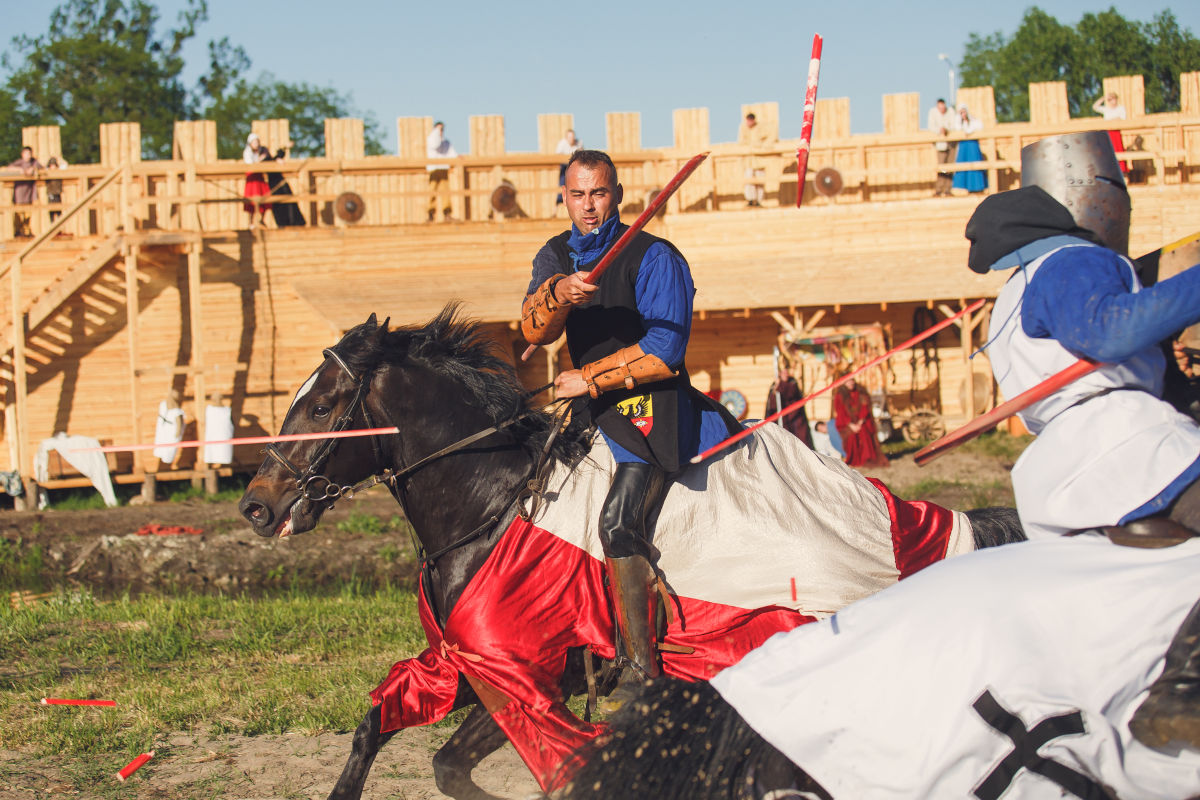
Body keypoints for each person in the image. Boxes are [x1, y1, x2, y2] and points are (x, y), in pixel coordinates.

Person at [964, 130, 1200, 750]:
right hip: (1127, 447)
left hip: (1061, 468)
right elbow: (1111, 330)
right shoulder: (1073, 260)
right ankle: (1185, 686)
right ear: (1095, 192)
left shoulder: (1011, 290)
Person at [520, 149, 739, 702]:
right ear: (564, 197)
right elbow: (534, 329)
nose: (588, 206)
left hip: (651, 406)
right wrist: (557, 295)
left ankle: (645, 673)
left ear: (616, 195)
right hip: (589, 407)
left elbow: (665, 352)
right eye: (577, 194)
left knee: (617, 524)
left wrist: (588, 378)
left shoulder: (654, 256)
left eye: (598, 193)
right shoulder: (554, 254)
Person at [832, 376, 886, 467]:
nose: (851, 383)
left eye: (852, 380)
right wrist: (851, 425)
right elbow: (841, 412)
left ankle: (867, 458)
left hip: (862, 421)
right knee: (851, 435)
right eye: (848, 381)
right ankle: (854, 459)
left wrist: (860, 422)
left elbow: (865, 408)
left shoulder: (861, 393)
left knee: (864, 432)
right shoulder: (840, 396)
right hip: (847, 423)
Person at [765, 365, 812, 447]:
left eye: (787, 372)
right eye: (784, 372)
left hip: (795, 422)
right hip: (782, 422)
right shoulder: (775, 386)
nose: (786, 374)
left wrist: (781, 385)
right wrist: (775, 390)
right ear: (779, 373)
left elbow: (791, 394)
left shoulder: (792, 383)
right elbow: (772, 405)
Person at [262, 147, 305, 227]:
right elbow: (271, 160)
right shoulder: (264, 161)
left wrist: (284, 149)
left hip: (279, 182)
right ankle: (285, 223)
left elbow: (279, 155)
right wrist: (277, 160)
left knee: (289, 203)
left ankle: (292, 222)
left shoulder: (271, 159)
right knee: (279, 205)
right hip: (275, 185)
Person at [951, 103, 987, 194]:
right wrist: (960, 119)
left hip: (972, 145)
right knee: (964, 165)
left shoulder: (973, 121)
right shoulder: (958, 122)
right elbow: (957, 128)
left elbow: (979, 126)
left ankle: (978, 186)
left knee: (975, 164)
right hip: (964, 145)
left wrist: (969, 129)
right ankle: (965, 187)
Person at [426, 121, 457, 222]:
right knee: (432, 192)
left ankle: (447, 213)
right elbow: (435, 144)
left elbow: (452, 154)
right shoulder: (431, 139)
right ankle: (430, 213)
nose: (440, 131)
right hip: (434, 169)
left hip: (443, 169)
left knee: (445, 192)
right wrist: (436, 132)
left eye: (442, 129)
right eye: (439, 129)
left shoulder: (446, 142)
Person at [7, 146, 42, 237]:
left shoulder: (34, 162)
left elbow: (41, 167)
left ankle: (27, 232)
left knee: (28, 214)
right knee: (18, 214)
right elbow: (9, 168)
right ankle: (18, 232)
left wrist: (34, 169)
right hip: (19, 193)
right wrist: (19, 170)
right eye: (26, 153)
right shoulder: (19, 163)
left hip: (29, 194)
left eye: (29, 153)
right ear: (22, 154)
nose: (28, 156)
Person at [1092, 91, 1130, 174]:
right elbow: (1095, 107)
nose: (1112, 101)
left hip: (1116, 132)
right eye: (1110, 100)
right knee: (1107, 151)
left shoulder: (1120, 108)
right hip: (1107, 133)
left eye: (1113, 99)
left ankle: (1122, 172)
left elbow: (1122, 118)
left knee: (1118, 150)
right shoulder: (1106, 109)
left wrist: (1111, 121)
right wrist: (1103, 98)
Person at [738, 112, 771, 207]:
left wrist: (760, 146)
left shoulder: (761, 128)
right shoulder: (743, 129)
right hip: (749, 159)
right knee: (749, 179)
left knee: (760, 179)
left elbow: (767, 139)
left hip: (759, 159)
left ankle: (758, 200)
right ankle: (750, 199)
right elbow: (741, 142)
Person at [926, 98, 958, 197]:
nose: (942, 109)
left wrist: (947, 129)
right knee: (941, 168)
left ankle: (948, 189)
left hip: (951, 143)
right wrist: (939, 130)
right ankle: (939, 189)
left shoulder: (951, 112)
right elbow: (931, 127)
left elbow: (954, 125)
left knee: (950, 167)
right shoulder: (933, 113)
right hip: (940, 144)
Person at [242, 133, 271, 229]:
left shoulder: (262, 150)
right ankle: (251, 222)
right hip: (252, 177)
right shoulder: (247, 152)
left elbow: (269, 159)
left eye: (257, 141)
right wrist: (259, 160)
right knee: (251, 200)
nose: (256, 144)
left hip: (259, 177)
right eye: (254, 142)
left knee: (265, 197)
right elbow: (250, 164)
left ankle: (261, 220)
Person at [555, 129, 582, 207]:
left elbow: (583, 155)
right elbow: (557, 157)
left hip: (575, 167)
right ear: (566, 138)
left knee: (578, 186)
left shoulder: (579, 143)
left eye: (572, 137)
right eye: (569, 137)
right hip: (564, 167)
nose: (571, 139)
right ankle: (555, 211)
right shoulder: (562, 144)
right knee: (561, 187)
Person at [44, 156, 64, 223]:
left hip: (57, 194)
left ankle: (59, 229)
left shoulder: (59, 172)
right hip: (51, 194)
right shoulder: (47, 173)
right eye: (51, 165)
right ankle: (53, 227)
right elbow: (44, 169)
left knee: (59, 212)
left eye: (54, 165)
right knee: (52, 212)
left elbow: (64, 166)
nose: (53, 167)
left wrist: (60, 159)